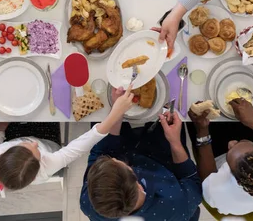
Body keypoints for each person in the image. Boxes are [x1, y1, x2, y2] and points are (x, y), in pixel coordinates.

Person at [81, 89, 202, 220]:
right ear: (138, 183)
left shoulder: (90, 202)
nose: (114, 159)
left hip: (119, 148)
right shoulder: (178, 206)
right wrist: (174, 141)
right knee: (168, 96)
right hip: (163, 160)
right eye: (120, 164)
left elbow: (102, 152)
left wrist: (116, 112)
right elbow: (191, 178)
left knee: (104, 106)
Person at [0, 87, 135, 190]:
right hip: (45, 136)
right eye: (37, 152)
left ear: (4, 153)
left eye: (25, 145)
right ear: (40, 164)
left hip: (11, 133)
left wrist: (6, 119)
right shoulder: (49, 165)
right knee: (50, 104)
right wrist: (116, 112)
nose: (34, 144)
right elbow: (84, 143)